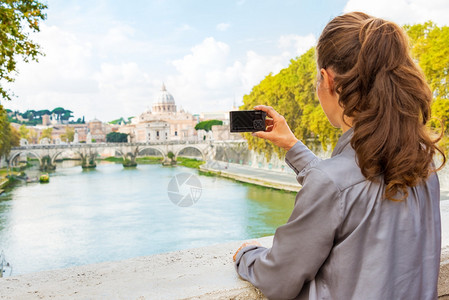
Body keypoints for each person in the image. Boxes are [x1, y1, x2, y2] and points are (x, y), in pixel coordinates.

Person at [233, 11, 445, 300]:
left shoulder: (332, 183)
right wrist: (294, 147)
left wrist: (247, 254)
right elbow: (352, 187)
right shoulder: (423, 163)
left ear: (327, 79)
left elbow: (278, 280)